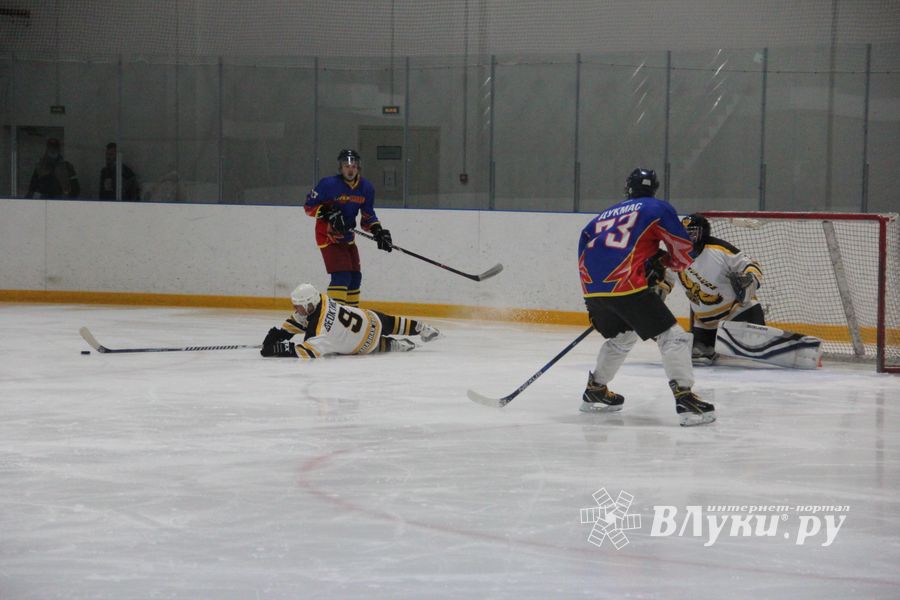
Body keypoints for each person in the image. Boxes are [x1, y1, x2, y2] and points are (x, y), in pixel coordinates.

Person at [578, 168, 715, 426]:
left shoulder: (598, 219)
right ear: (654, 188)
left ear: (628, 188)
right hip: (627, 287)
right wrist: (666, 263)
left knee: (623, 336)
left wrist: (595, 298)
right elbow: (682, 247)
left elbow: (585, 252)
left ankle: (596, 390)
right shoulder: (656, 207)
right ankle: (685, 399)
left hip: (593, 290)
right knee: (674, 338)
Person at [671, 214, 764, 365]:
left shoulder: (719, 249)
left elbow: (751, 265)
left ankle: (754, 336)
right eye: (683, 233)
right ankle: (708, 344)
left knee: (748, 352)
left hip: (736, 313)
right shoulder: (674, 254)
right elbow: (664, 278)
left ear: (703, 233)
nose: (687, 238)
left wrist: (749, 278)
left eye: (692, 233)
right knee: (698, 357)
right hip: (704, 322)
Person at [303, 149, 392, 307]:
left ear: (358, 168)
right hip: (329, 237)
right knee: (342, 276)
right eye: (346, 165)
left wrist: (378, 230)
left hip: (348, 239)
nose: (350, 169)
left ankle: (351, 315)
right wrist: (328, 212)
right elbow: (308, 207)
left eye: (353, 165)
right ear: (340, 168)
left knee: (355, 277)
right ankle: (334, 316)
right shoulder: (328, 184)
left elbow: (367, 217)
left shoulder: (366, 188)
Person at [260, 282, 441, 359]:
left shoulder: (320, 330)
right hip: (370, 318)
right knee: (392, 322)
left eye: (298, 305)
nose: (295, 309)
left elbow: (308, 352)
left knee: (347, 344)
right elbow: (301, 320)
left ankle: (394, 345)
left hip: (362, 345)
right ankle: (422, 328)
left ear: (309, 305)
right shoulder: (321, 299)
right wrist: (280, 333)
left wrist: (277, 346)